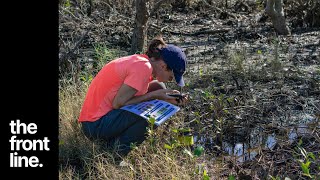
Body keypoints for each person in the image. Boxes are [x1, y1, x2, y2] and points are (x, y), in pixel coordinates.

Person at [78, 36, 188, 157]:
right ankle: (113, 153)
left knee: (159, 86)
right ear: (163, 66)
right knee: (150, 115)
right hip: (94, 125)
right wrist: (154, 96)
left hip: (99, 118)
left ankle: (115, 142)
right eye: (171, 77)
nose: (171, 81)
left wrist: (165, 97)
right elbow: (118, 103)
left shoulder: (143, 62)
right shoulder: (143, 68)